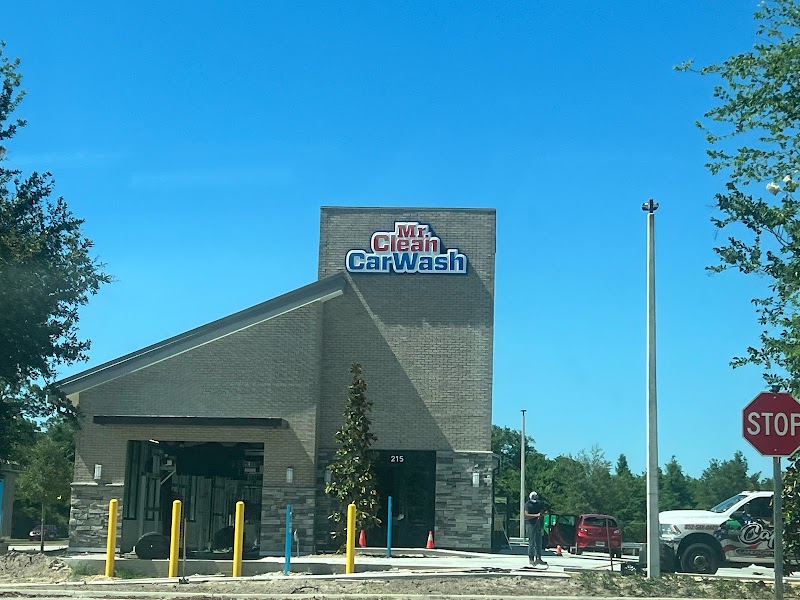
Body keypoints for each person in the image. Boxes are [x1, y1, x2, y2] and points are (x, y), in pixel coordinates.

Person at [524, 491, 547, 566]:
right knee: (532, 541)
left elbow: (544, 511)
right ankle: (531, 559)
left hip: (538, 524)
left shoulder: (539, 503)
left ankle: (539, 558)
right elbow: (526, 515)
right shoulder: (528, 504)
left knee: (538, 541)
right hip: (530, 524)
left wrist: (542, 514)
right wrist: (536, 515)